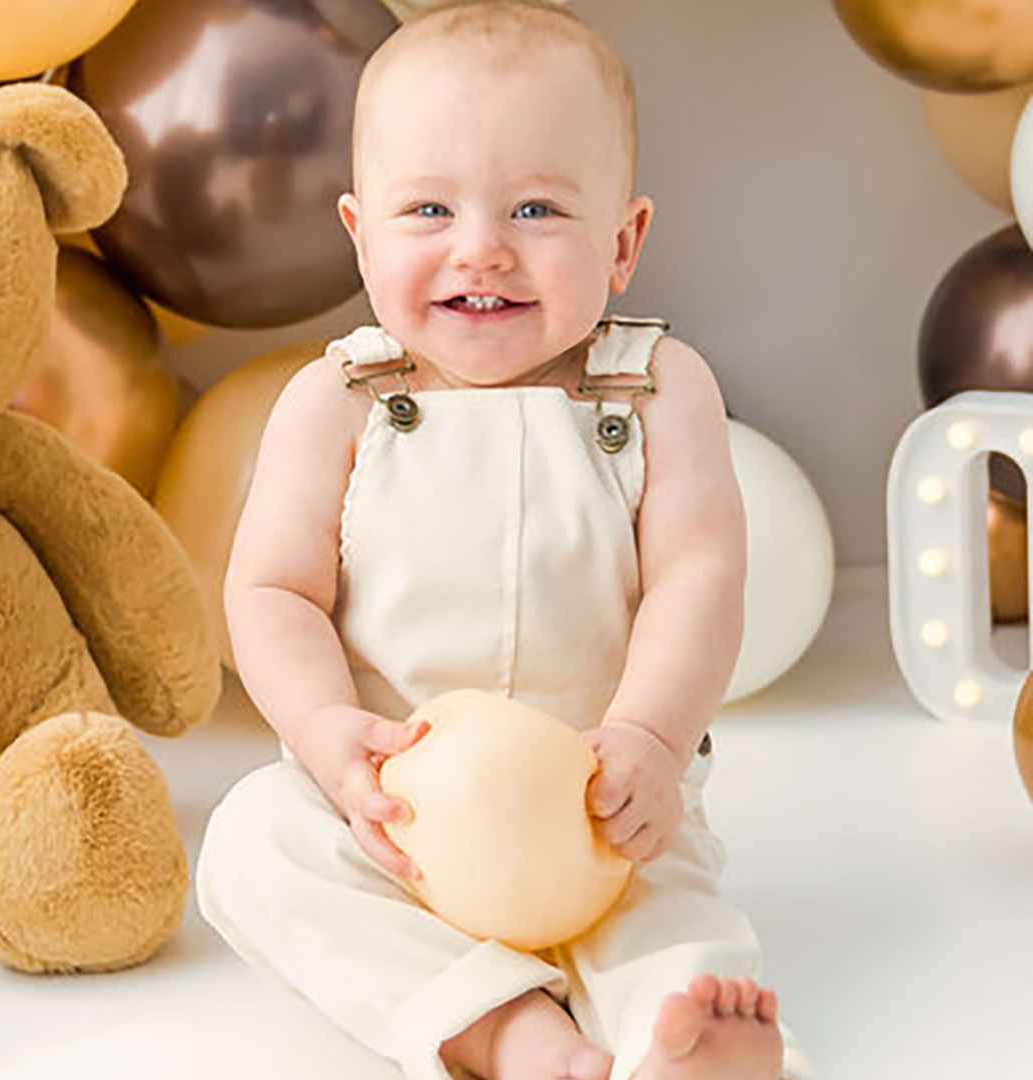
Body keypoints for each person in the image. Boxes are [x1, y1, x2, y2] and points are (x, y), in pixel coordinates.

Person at [197, 3, 815, 1079]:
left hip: (599, 805)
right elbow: (272, 593)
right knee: (254, 843)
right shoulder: (333, 399)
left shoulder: (660, 390)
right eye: (428, 208)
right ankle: (514, 1035)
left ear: (622, 242)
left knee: (661, 912)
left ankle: (691, 1041)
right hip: (395, 822)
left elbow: (699, 577)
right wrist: (330, 736)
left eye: (535, 208)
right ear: (361, 235)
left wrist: (654, 745)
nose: (480, 247)